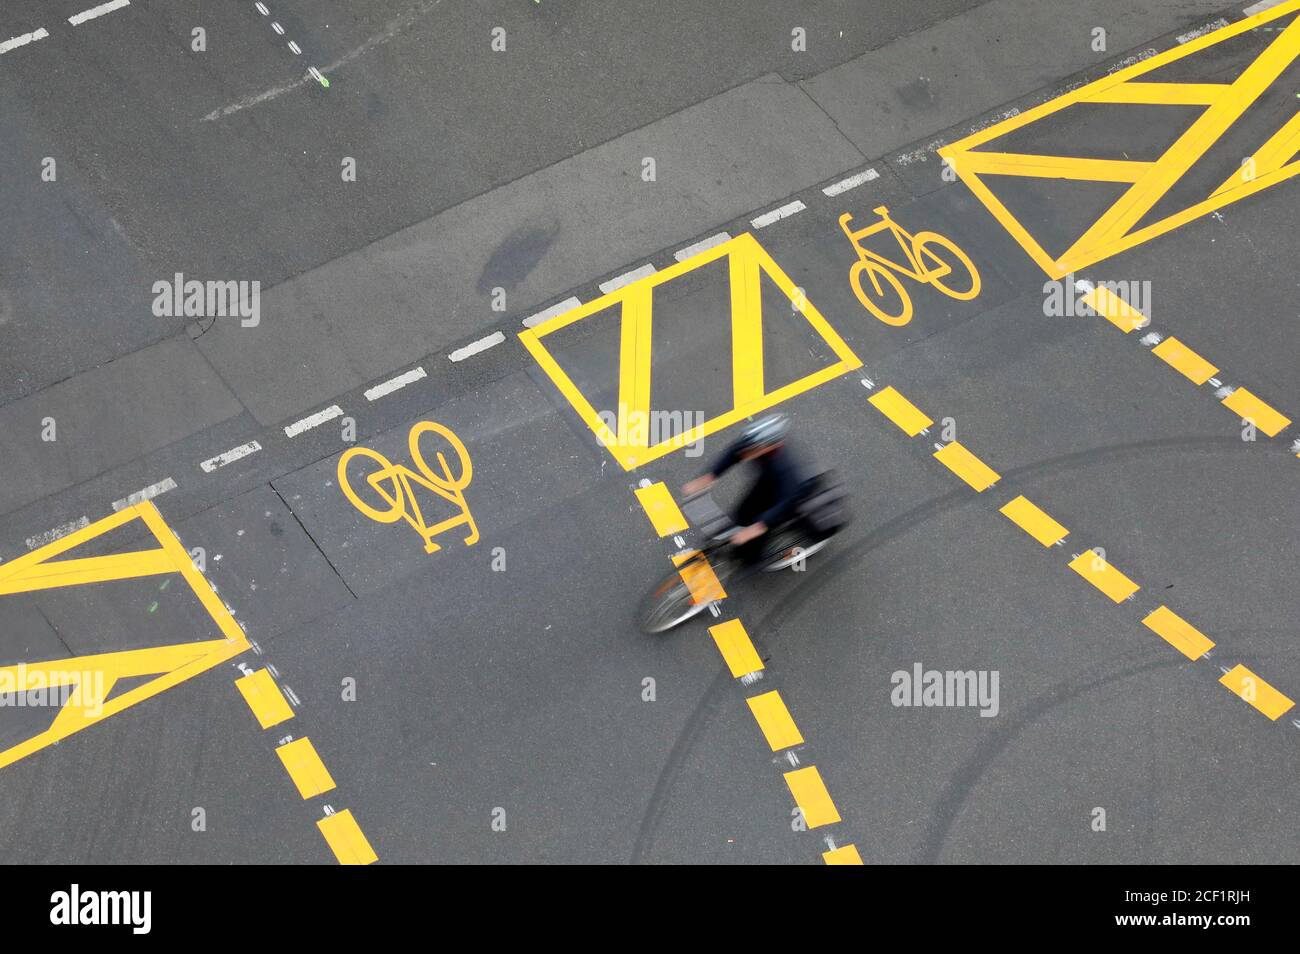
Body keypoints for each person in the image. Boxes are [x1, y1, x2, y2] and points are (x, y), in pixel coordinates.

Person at [682, 413, 804, 565]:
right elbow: (734, 453)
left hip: (784, 497)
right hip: (767, 483)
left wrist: (758, 527)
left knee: (757, 531)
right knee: (742, 513)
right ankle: (732, 542)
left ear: (770, 447)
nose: (747, 451)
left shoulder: (784, 468)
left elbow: (786, 503)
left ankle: (753, 558)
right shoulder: (755, 443)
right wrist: (710, 476)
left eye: (754, 448)